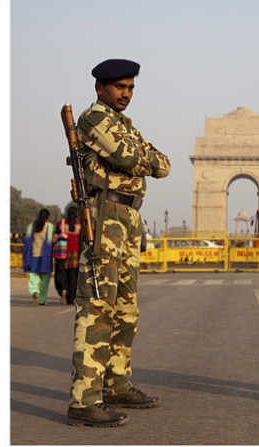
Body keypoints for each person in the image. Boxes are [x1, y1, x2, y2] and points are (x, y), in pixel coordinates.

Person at [67, 59, 171, 428]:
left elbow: (164, 165)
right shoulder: (93, 119)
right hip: (104, 215)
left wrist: (139, 159)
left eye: (130, 88)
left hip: (129, 216)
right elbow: (129, 156)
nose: (126, 93)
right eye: (119, 87)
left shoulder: (124, 125)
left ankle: (116, 384)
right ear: (100, 88)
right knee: (98, 305)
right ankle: (84, 400)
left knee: (126, 308)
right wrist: (140, 159)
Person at [22, 208, 54, 306]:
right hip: (45, 258)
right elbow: (51, 242)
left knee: (33, 278)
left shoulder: (31, 226)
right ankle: (42, 299)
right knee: (45, 280)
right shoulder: (49, 227)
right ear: (47, 217)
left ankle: (34, 291)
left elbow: (27, 243)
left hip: (33, 257)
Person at [53, 206, 81, 306]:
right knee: (73, 276)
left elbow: (55, 238)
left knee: (61, 273)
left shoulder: (61, 223)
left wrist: (53, 248)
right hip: (75, 252)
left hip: (62, 251)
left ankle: (63, 289)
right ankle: (70, 298)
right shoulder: (79, 225)